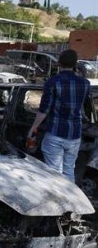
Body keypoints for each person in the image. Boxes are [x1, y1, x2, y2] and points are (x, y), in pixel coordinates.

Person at [27, 49, 91, 182]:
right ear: (75, 64)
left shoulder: (53, 82)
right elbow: (84, 108)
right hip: (75, 135)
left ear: (58, 63)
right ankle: (71, 199)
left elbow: (44, 110)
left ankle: (56, 201)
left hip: (55, 134)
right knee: (69, 170)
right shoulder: (85, 83)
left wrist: (32, 129)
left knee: (54, 173)